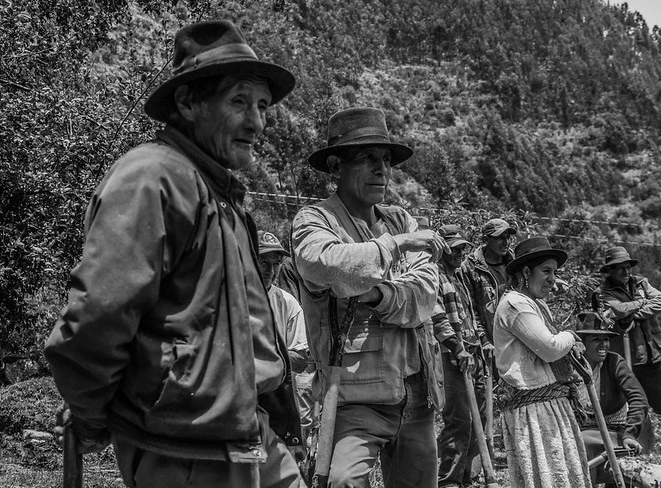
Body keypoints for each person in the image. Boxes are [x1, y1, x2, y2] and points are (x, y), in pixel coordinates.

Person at [44, 20, 304, 488]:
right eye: (239, 102)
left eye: (262, 105)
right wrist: (89, 410)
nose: (257, 122)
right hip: (186, 452)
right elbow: (100, 314)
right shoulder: (153, 177)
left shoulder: (218, 192)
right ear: (188, 103)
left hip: (246, 434)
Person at [292, 107, 448, 488]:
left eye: (385, 160)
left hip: (417, 393)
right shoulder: (312, 222)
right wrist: (396, 247)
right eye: (367, 158)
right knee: (343, 482)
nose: (382, 169)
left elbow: (425, 293)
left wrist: (377, 294)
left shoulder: (400, 219)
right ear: (335, 166)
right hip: (353, 397)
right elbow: (329, 267)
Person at [493, 236, 592, 488]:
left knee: (560, 474)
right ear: (526, 271)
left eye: (555, 272)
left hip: (549, 404)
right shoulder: (515, 305)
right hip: (533, 409)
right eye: (546, 271)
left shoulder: (534, 304)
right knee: (547, 476)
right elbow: (549, 348)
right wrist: (571, 335)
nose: (552, 279)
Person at [594, 246, 661, 432]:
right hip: (624, 355)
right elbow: (618, 309)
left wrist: (635, 314)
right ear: (610, 270)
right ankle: (636, 442)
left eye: (628, 267)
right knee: (630, 401)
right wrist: (641, 302)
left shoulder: (641, 283)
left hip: (649, 353)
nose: (626, 271)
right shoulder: (603, 292)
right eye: (620, 268)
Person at [433, 225, 489, 488]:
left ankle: (468, 476)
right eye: (454, 247)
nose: (460, 251)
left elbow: (472, 314)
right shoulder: (434, 274)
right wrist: (457, 346)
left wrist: (483, 343)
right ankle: (449, 480)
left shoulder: (459, 277)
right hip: (452, 356)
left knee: (482, 419)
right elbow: (437, 317)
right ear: (441, 247)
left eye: (463, 247)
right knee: (458, 420)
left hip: (473, 353)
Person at [573, 310, 648, 484]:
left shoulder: (614, 362)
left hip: (613, 432)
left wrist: (630, 434)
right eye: (596, 340)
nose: (603, 345)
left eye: (606, 339)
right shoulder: (570, 366)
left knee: (585, 445)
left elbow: (639, 398)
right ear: (581, 343)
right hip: (578, 431)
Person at [258, 231, 316, 449]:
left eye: (275, 263)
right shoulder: (232, 297)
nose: (270, 270)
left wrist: (259, 360)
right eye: (263, 261)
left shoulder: (286, 302)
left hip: (279, 401)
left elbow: (301, 358)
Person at [461, 218, 516, 346]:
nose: (506, 242)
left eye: (508, 238)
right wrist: (484, 340)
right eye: (501, 238)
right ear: (486, 240)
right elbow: (470, 309)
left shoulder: (514, 263)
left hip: (516, 337)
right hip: (491, 341)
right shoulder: (470, 268)